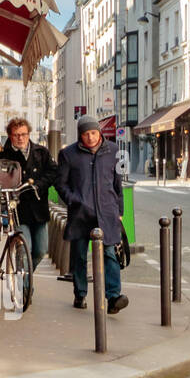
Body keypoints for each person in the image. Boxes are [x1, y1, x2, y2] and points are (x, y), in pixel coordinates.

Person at [55, 115, 128, 314]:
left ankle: (113, 297)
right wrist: (73, 199)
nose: (90, 137)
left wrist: (119, 211)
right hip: (80, 213)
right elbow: (60, 183)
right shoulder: (68, 154)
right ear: (80, 135)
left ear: (99, 132)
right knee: (79, 255)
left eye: (93, 133)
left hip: (107, 212)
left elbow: (117, 184)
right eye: (86, 134)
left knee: (110, 253)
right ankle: (80, 293)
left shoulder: (114, 151)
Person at [0, 117, 57, 272]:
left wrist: (39, 185)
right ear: (10, 136)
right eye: (16, 135)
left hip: (39, 208)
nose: (20, 138)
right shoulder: (3, 157)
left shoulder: (41, 153)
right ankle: (24, 289)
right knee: (24, 248)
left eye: (24, 134)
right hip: (18, 210)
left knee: (40, 251)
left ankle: (26, 275)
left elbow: (53, 172)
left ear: (29, 134)